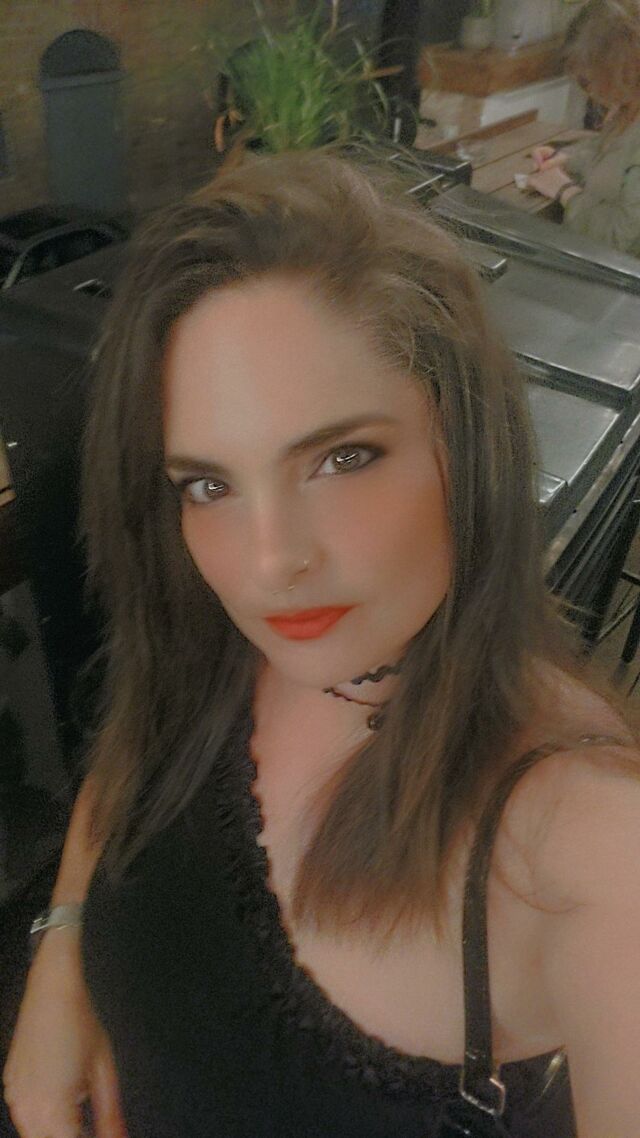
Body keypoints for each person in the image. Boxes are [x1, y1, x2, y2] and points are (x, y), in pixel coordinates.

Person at [3, 150, 640, 1138]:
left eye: (343, 457)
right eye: (208, 484)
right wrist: (62, 953)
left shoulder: (585, 842)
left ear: (465, 446)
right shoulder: (217, 641)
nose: (269, 565)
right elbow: (133, 758)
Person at [528, 0, 640, 257]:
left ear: (621, 68)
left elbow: (622, 241)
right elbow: (609, 159)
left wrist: (565, 192)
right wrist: (566, 160)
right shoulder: (626, 109)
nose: (587, 89)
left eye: (588, 78)